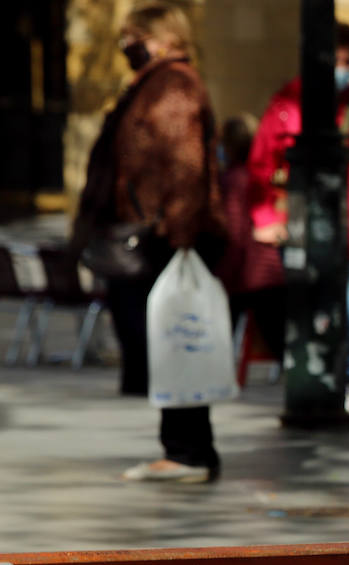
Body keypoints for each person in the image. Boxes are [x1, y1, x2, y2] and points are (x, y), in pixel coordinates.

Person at [73, 2, 226, 483]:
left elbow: (184, 166)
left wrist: (179, 237)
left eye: (133, 35)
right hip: (156, 236)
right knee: (166, 343)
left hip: (163, 239)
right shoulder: (154, 84)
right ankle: (183, 448)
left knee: (172, 342)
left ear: (160, 37)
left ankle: (187, 451)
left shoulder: (173, 85)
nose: (126, 45)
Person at [249, 22, 349, 413]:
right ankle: (312, 378)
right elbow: (261, 168)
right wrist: (266, 217)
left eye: (348, 61)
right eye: (335, 59)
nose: (342, 67)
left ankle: (341, 377)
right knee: (306, 308)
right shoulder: (285, 105)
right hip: (297, 233)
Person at [217, 114, 286, 361]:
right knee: (277, 337)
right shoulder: (263, 178)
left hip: (244, 272)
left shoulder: (232, 180)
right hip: (267, 272)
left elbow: (235, 232)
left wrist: (225, 274)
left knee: (222, 337)